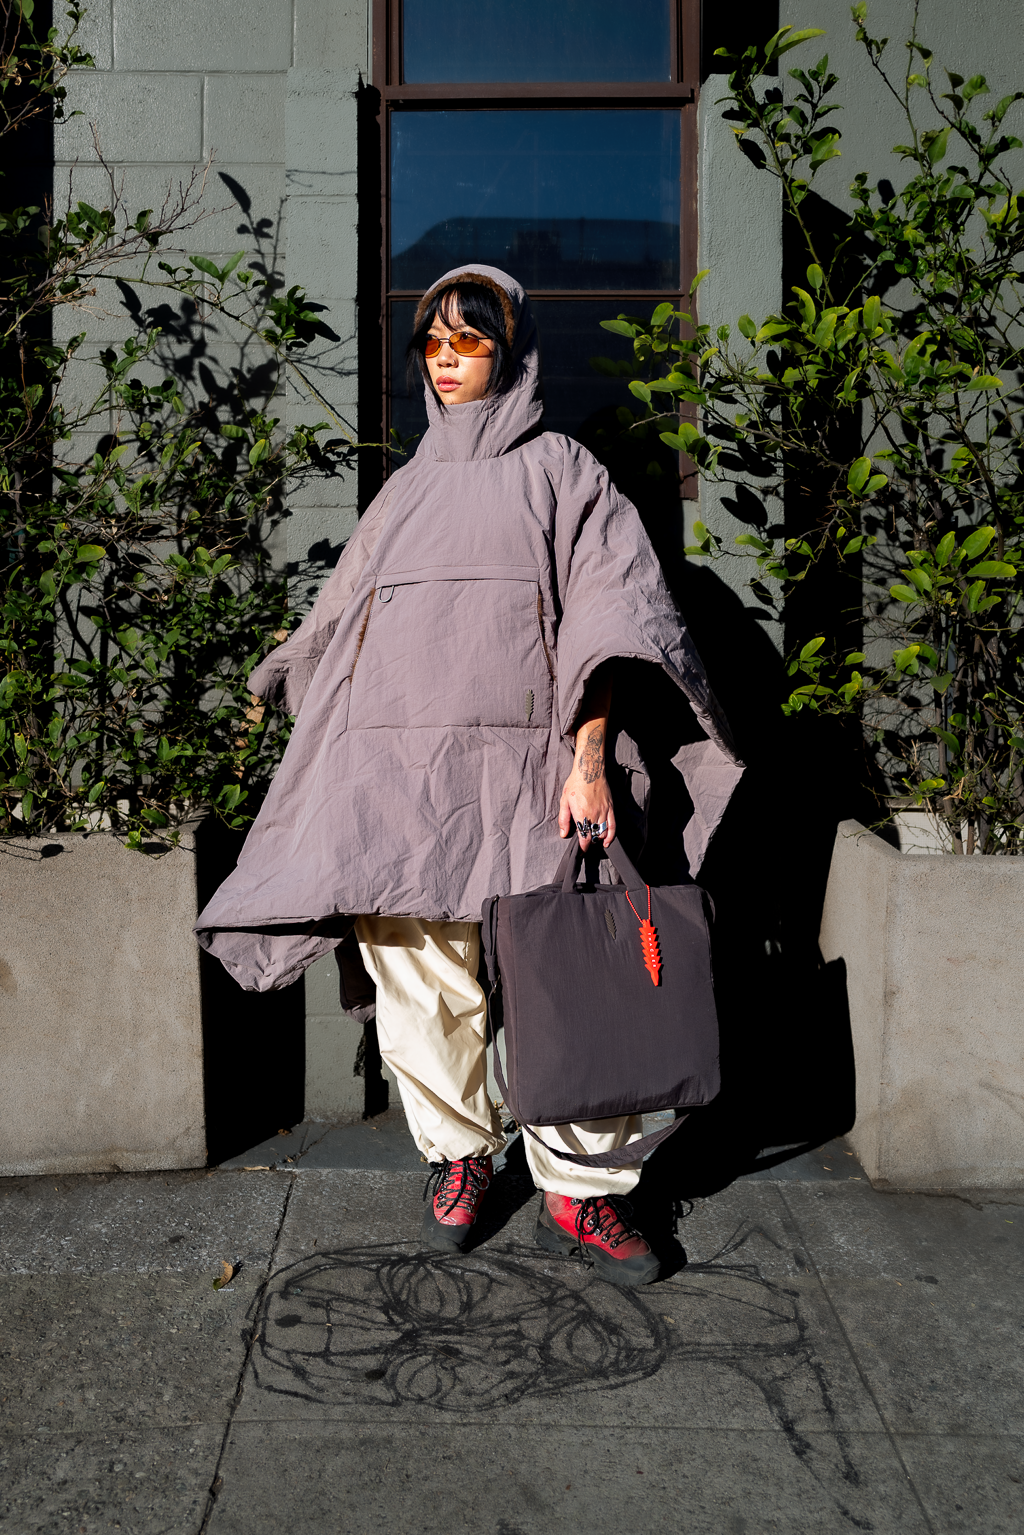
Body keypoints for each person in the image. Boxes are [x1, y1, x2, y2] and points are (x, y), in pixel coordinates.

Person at [195, 264, 743, 1288]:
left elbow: (613, 618)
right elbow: (341, 619)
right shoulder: (405, 488)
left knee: (576, 977)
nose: (446, 361)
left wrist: (589, 760)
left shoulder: (563, 471)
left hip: (533, 769)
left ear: (513, 349)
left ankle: (583, 1188)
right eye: (433, 344)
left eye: (469, 341)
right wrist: (277, 678)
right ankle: (462, 1154)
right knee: (420, 980)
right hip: (402, 780)